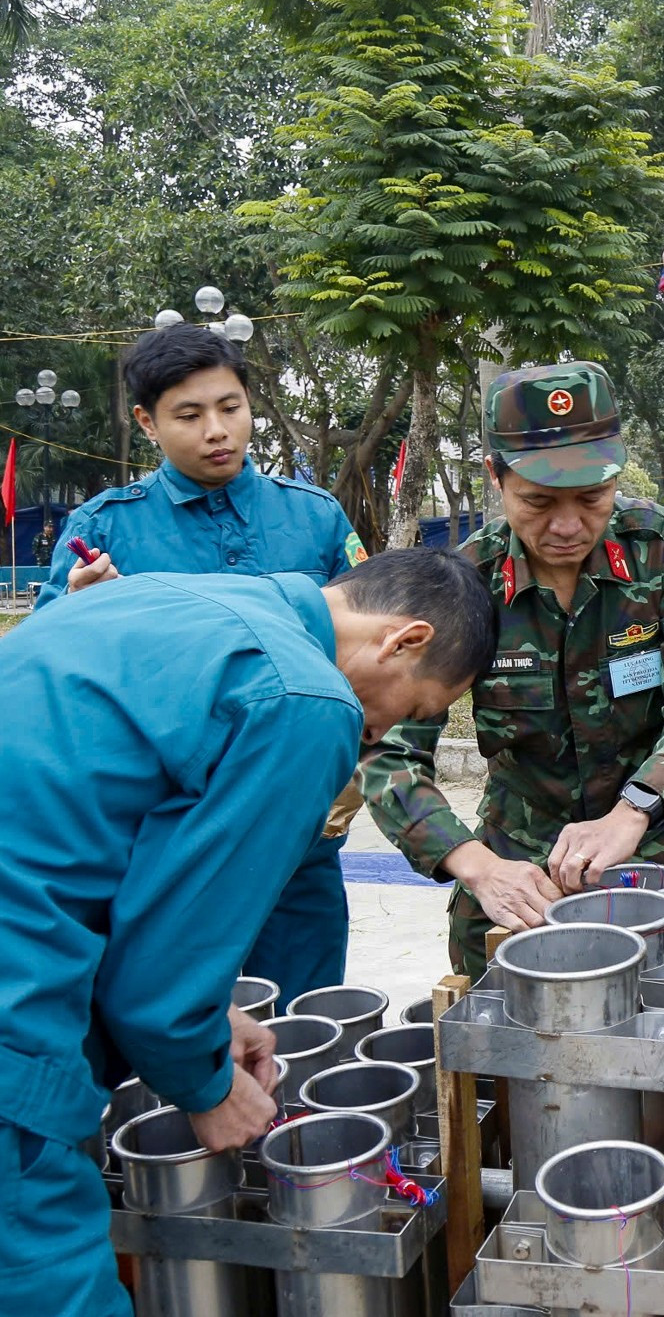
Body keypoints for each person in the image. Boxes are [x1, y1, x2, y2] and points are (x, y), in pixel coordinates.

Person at [0, 548, 494, 1317]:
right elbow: (162, 974)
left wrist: (207, 1015)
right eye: (415, 709)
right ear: (403, 640)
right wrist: (204, 1081)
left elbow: (97, 846)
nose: (387, 730)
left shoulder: (165, 598)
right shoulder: (305, 697)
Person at [361, 362, 664, 978]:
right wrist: (473, 863)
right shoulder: (465, 584)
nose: (567, 527)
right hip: (522, 872)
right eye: (537, 501)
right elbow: (388, 748)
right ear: (494, 475)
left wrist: (633, 810)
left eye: (591, 498)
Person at [37, 323, 370, 1006]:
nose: (217, 430)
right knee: (172, 1013)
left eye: (230, 407)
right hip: (168, 834)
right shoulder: (104, 529)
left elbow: (365, 649)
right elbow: (43, 675)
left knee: (305, 1014)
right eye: (188, 416)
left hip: (296, 828)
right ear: (147, 423)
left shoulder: (314, 518)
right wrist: (77, 608)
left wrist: (355, 763)